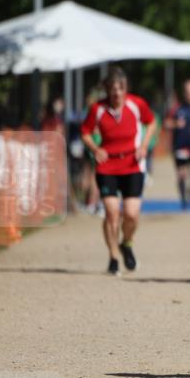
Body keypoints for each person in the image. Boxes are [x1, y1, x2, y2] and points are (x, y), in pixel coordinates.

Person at [80, 67, 157, 275]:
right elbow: (85, 132)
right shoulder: (97, 109)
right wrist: (96, 149)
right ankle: (113, 256)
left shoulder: (136, 104)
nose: (117, 93)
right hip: (107, 166)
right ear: (107, 90)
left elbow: (151, 122)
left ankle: (127, 243)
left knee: (131, 214)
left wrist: (144, 146)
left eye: (121, 88)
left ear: (126, 89)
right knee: (112, 213)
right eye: (113, 89)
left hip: (132, 163)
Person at [164, 79, 190, 209]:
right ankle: (183, 198)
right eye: (189, 92)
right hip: (180, 145)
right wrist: (175, 124)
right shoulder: (177, 108)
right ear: (184, 93)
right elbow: (166, 123)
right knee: (182, 174)